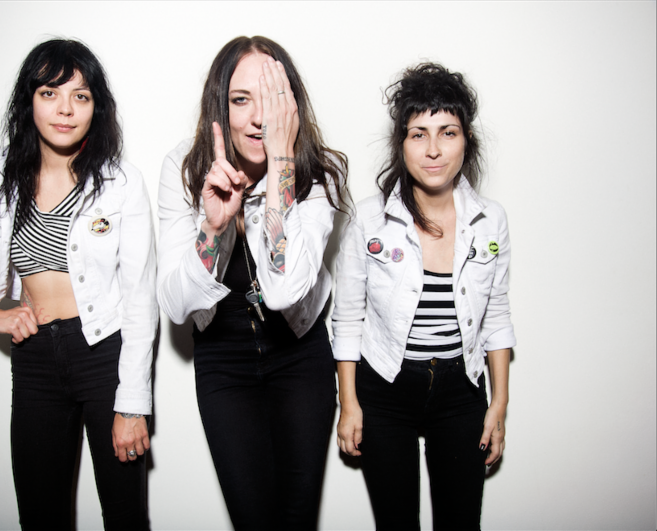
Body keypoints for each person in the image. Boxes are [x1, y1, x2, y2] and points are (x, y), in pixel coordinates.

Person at [0, 39, 156, 530]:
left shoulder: (121, 183)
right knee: (40, 515)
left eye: (80, 96)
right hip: (34, 362)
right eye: (50, 93)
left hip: (104, 355)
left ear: (96, 107)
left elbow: (140, 298)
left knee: (125, 516)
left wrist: (132, 404)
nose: (65, 109)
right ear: (29, 100)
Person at [156, 36, 348, 530]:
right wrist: (213, 227)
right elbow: (175, 305)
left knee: (297, 519)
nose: (259, 118)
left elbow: (283, 292)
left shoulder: (318, 173)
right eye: (241, 100)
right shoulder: (184, 169)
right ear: (219, 107)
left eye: (273, 99)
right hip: (223, 360)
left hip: (298, 355)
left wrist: (282, 161)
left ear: (293, 107)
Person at [333, 63, 515, 530]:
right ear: (402, 143)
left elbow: (496, 316)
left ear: (466, 140)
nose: (433, 149)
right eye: (419, 134)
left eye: (447, 132)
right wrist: (349, 403)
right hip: (385, 389)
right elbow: (347, 318)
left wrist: (498, 403)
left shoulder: (491, 221)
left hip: (461, 390)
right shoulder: (369, 221)